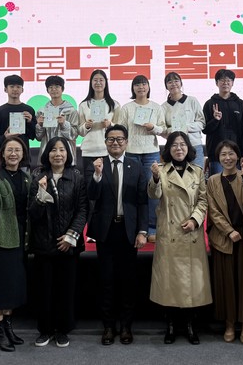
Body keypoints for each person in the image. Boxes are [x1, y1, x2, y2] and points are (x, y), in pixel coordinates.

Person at [87, 124, 149, 345]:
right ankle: (108, 327)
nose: (115, 143)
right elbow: (91, 196)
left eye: (119, 139)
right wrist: (96, 175)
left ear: (126, 142)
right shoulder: (97, 164)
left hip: (128, 231)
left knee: (128, 281)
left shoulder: (136, 166)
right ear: (105, 142)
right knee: (106, 281)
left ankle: (126, 326)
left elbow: (142, 201)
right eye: (111, 139)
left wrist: (142, 231)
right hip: (106, 232)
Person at [148, 132, 211, 345]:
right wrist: (155, 178)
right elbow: (154, 194)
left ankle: (191, 325)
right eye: (174, 145)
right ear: (168, 149)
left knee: (191, 283)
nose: (179, 148)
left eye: (183, 144)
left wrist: (195, 219)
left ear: (188, 148)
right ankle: (171, 325)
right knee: (169, 283)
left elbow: (203, 200)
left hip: (190, 233)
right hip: (170, 234)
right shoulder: (160, 170)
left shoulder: (197, 171)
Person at [27, 137, 88, 348]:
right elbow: (32, 214)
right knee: (44, 290)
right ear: (47, 153)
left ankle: (63, 330)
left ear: (68, 154)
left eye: (62, 150)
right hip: (43, 243)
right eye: (53, 150)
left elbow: (82, 210)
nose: (58, 154)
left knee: (66, 289)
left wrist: (71, 236)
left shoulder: (77, 177)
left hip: (68, 245)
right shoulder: (37, 177)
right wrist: (40, 195)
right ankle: (45, 329)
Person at [206, 140, 243, 344]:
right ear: (218, 158)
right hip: (223, 236)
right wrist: (228, 231)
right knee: (226, 281)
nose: (227, 158)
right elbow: (213, 211)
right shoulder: (212, 181)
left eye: (231, 154)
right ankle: (229, 323)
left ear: (238, 156)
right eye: (223, 154)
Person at [0, 136, 30, 352]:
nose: (13, 154)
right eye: (9, 150)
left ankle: (8, 328)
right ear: (2, 154)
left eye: (17, 150)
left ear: (23, 154)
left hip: (21, 238)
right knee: (0, 288)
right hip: (2, 237)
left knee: (13, 286)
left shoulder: (27, 177)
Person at [113, 75, 165, 241]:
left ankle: (152, 228)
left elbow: (163, 130)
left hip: (151, 153)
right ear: (133, 88)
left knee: (153, 190)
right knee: (132, 190)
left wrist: (153, 127)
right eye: (137, 85)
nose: (141, 87)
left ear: (148, 87)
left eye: (143, 84)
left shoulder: (156, 107)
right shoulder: (127, 108)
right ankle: (135, 226)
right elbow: (121, 130)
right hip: (131, 153)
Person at [203, 69, 243, 176]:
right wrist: (215, 120)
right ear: (217, 83)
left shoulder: (240, 104)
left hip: (236, 154)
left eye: (228, 80)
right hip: (216, 155)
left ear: (232, 83)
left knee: (237, 184)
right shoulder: (209, 104)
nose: (225, 83)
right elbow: (205, 129)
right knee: (217, 184)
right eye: (222, 80)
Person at [0, 75, 36, 169]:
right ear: (5, 89)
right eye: (12, 86)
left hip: (23, 161)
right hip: (3, 162)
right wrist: (5, 137)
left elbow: (33, 136)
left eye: (18, 87)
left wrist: (30, 122)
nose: (15, 89)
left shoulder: (28, 110)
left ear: (22, 90)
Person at [77, 69, 120, 175]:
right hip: (88, 150)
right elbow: (80, 131)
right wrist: (86, 126)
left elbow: (120, 129)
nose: (98, 83)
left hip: (107, 150)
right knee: (89, 182)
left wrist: (110, 125)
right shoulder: (84, 105)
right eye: (95, 80)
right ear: (91, 82)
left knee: (107, 182)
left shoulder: (114, 105)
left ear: (106, 82)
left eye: (101, 80)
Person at [161, 72, 206, 168]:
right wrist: (173, 130)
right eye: (170, 82)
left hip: (194, 145)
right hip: (175, 148)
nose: (173, 84)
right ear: (166, 86)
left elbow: (201, 123)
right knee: (177, 175)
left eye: (176, 81)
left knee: (197, 174)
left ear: (181, 83)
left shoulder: (192, 100)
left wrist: (186, 128)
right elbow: (162, 130)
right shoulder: (163, 107)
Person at [35, 76, 79, 166]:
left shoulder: (71, 111)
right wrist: (39, 125)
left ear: (62, 89)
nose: (54, 90)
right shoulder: (42, 111)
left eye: (57, 87)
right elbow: (38, 137)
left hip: (66, 155)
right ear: (47, 90)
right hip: (47, 154)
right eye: (50, 87)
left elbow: (74, 135)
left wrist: (64, 124)